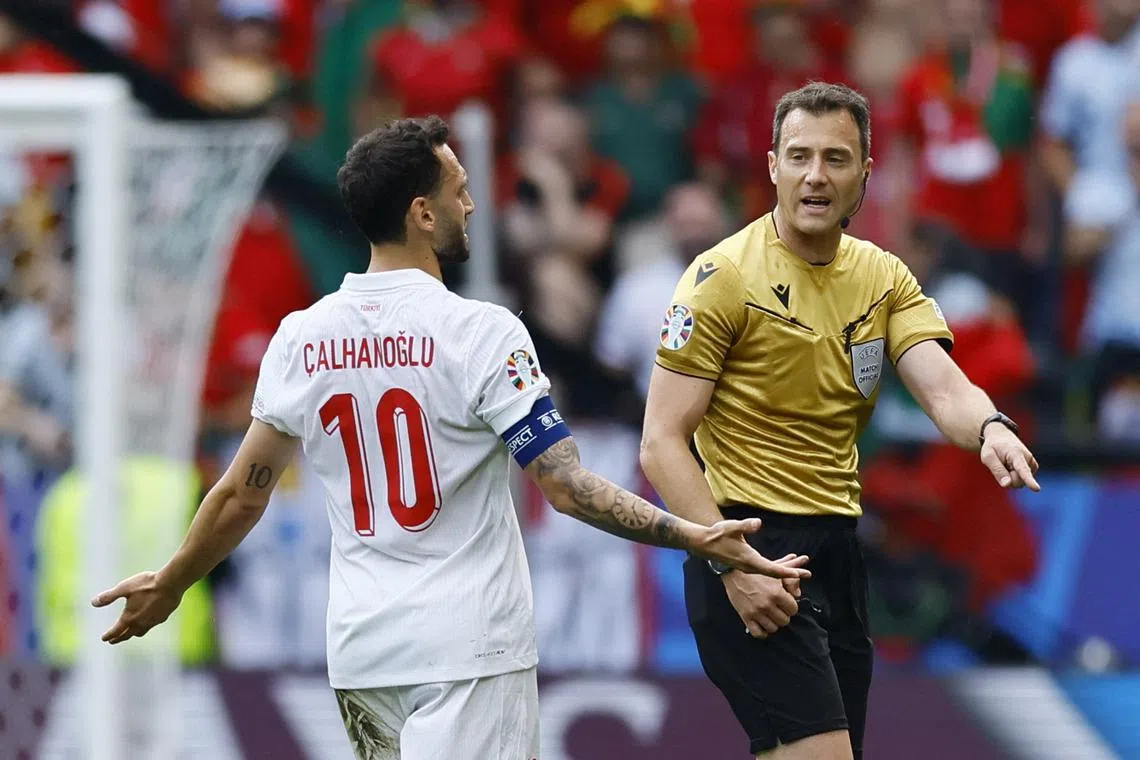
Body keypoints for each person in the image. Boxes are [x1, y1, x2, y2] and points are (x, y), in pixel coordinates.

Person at [90, 116, 810, 760]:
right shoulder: (480, 330)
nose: (471, 204)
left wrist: (173, 579)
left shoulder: (301, 337)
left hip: (365, 652)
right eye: (459, 190)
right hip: (468, 648)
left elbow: (241, 495)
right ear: (421, 212)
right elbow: (563, 485)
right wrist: (693, 534)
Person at [639, 83, 1040, 760]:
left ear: (865, 175)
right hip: (751, 542)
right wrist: (734, 567)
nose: (815, 176)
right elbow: (660, 443)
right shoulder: (722, 278)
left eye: (835, 158)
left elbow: (942, 388)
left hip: (839, 555)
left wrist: (991, 427)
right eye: (798, 156)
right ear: (771, 166)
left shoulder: (883, 276)